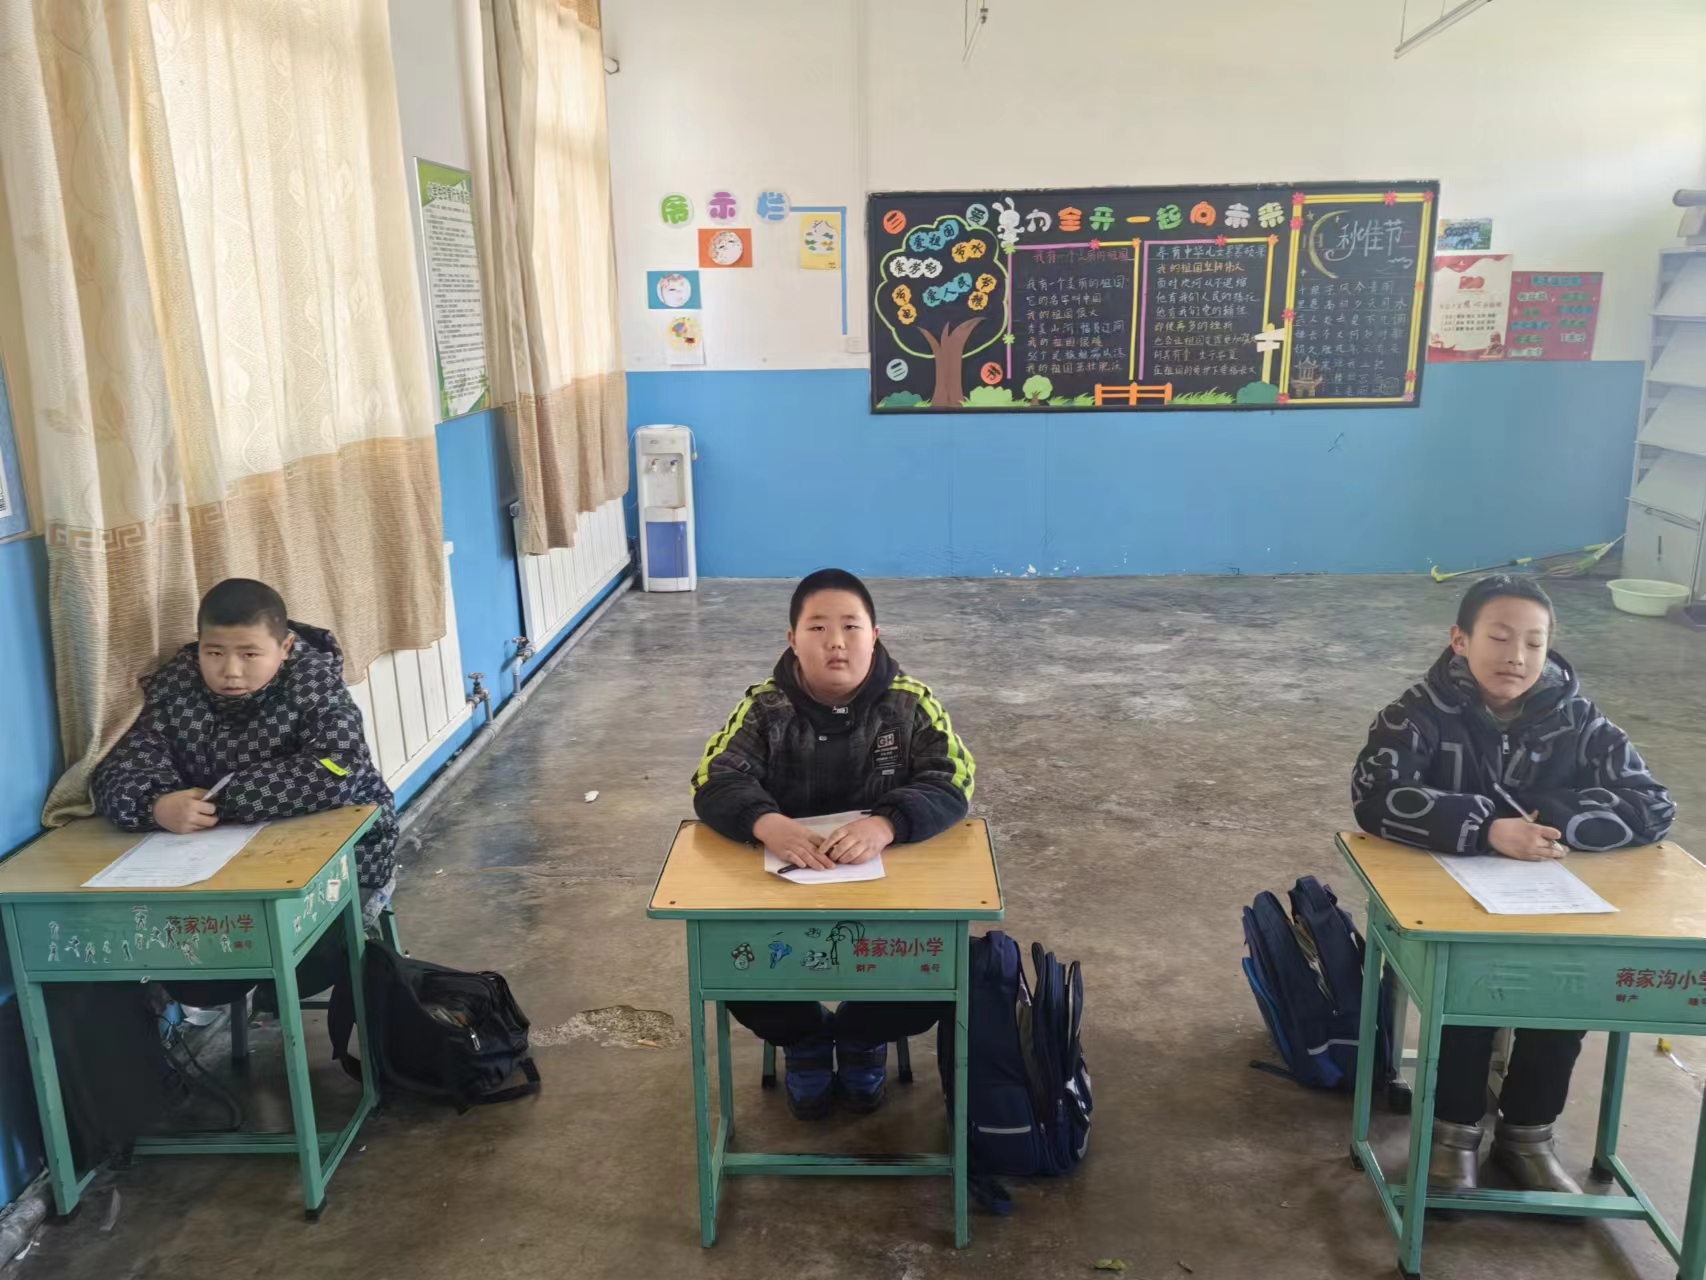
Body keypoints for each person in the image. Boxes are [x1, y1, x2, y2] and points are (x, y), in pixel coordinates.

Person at [1352, 575, 1675, 1194]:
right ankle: (1452, 1134)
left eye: (1533, 642)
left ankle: (1528, 1135)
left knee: (1568, 982)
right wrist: (1486, 828)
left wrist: (1552, 820)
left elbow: (1653, 804)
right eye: (1499, 638)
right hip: (1451, 900)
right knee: (1471, 983)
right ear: (1460, 640)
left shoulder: (1577, 718)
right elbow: (1376, 795)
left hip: (1555, 899)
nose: (1516, 657)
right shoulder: (1417, 713)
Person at [692, 568, 975, 1119]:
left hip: (889, 889)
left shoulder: (910, 704)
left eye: (851, 626)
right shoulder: (765, 709)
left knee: (936, 961)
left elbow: (954, 778)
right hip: (786, 888)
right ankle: (805, 1039)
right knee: (733, 957)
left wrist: (887, 824)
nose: (836, 642)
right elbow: (713, 777)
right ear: (793, 640)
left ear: (876, 635)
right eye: (818, 628)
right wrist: (766, 822)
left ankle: (862, 1035)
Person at [92, 578, 398, 929]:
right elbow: (121, 768)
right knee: (209, 941)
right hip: (220, 860)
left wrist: (218, 802)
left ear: (285, 647)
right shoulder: (175, 689)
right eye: (214, 653)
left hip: (349, 853)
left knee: (314, 942)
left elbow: (337, 767)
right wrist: (155, 806)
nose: (231, 671)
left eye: (249, 655)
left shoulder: (313, 683)